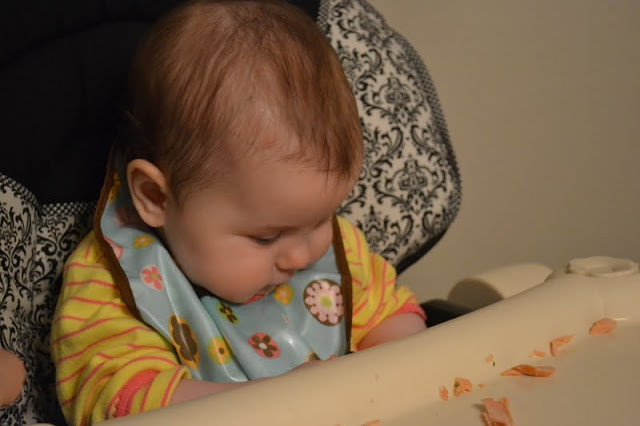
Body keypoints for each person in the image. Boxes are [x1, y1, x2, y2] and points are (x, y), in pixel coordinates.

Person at [51, 0, 426, 423]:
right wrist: (277, 402)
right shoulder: (115, 285)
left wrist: (398, 364)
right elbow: (118, 403)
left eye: (322, 218)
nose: (302, 255)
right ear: (156, 197)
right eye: (266, 237)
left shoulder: (340, 255)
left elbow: (395, 320)